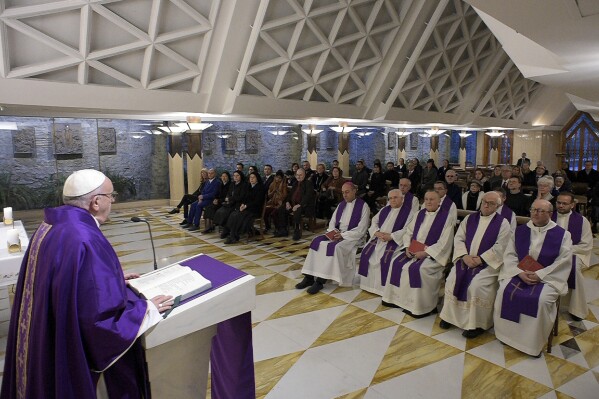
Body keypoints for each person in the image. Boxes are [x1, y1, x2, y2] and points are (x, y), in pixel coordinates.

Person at [0, 169, 173, 398]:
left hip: (44, 337)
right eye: (111, 196)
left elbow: (66, 277)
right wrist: (145, 310)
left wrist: (111, 279)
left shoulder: (51, 225)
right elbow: (98, 322)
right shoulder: (85, 237)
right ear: (95, 202)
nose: (113, 201)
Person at [493, 199, 572, 357]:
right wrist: (519, 272)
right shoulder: (520, 230)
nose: (535, 213)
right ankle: (507, 336)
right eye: (533, 210)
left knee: (541, 301)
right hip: (519, 273)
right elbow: (510, 254)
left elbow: (563, 261)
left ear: (550, 214)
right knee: (503, 291)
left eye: (541, 211)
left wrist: (540, 275)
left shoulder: (562, 234)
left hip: (548, 278)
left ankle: (531, 344)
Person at [439, 192, 511, 338]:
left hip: (487, 265)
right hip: (465, 260)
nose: (485, 205)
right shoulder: (470, 218)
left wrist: (481, 259)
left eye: (490, 203)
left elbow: (501, 246)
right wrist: (464, 256)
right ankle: (449, 317)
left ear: (498, 206)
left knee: (476, 285)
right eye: (484, 201)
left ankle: (477, 324)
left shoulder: (503, 223)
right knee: (452, 279)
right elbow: (459, 238)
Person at [382, 190, 455, 317]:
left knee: (419, 269)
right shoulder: (419, 214)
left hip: (431, 255)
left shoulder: (447, 217)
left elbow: (444, 242)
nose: (428, 202)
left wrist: (425, 253)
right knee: (395, 262)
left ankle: (420, 307)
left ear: (439, 201)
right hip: (413, 250)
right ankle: (397, 300)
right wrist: (406, 247)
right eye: (426, 199)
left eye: (432, 199)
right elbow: (409, 232)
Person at [296, 182, 370, 294]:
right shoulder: (341, 205)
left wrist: (343, 235)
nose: (345, 195)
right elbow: (333, 222)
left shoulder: (363, 206)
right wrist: (333, 232)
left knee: (333, 247)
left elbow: (362, 229)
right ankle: (309, 277)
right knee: (316, 242)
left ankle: (320, 281)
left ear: (354, 191)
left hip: (352, 237)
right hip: (337, 233)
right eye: (343, 192)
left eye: (347, 192)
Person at [358, 189, 416, 295]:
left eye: (395, 197)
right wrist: (376, 232)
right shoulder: (385, 209)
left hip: (395, 242)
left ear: (402, 199)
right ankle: (367, 285)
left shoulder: (410, 213)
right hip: (379, 239)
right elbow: (374, 221)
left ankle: (382, 289)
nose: (393, 200)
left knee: (385, 259)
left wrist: (392, 236)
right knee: (367, 254)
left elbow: (408, 229)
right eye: (390, 198)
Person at [553, 192, 592, 321]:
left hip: (574, 253)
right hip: (550, 252)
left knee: (574, 270)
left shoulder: (582, 221)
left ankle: (576, 309)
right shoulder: (548, 216)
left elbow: (586, 245)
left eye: (564, 203)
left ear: (572, 205)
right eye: (558, 203)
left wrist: (565, 250)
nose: (561, 206)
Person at [224, 172, 264, 244]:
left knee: (238, 215)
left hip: (255, 209)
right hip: (247, 208)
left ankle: (234, 236)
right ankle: (232, 234)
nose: (251, 179)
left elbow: (257, 201)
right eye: (250, 177)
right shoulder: (248, 186)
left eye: (253, 177)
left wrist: (246, 206)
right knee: (234, 214)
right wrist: (243, 204)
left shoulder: (260, 188)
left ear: (257, 179)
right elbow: (245, 198)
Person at [279, 168, 315, 240]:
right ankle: (283, 230)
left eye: (300, 175)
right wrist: (287, 202)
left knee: (297, 210)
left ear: (304, 175)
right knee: (282, 208)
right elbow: (290, 195)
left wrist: (299, 205)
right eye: (297, 175)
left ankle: (297, 231)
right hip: (294, 204)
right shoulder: (295, 183)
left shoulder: (308, 183)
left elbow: (308, 196)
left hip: (305, 206)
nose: (298, 177)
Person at [214, 170, 246, 238]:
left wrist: (230, 199)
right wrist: (228, 198)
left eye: (237, 176)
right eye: (234, 176)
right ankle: (223, 228)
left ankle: (227, 231)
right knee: (220, 211)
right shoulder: (232, 184)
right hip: (230, 203)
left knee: (228, 213)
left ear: (241, 176)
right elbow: (228, 193)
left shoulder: (244, 185)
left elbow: (241, 197)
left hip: (238, 204)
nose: (235, 177)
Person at [264, 170, 288, 234]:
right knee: (264, 211)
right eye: (277, 177)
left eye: (280, 178)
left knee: (273, 213)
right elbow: (269, 195)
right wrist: (274, 191)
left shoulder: (283, 185)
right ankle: (267, 227)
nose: (278, 179)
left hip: (279, 204)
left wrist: (278, 192)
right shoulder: (272, 184)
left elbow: (284, 196)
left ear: (282, 179)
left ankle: (277, 228)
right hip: (272, 203)